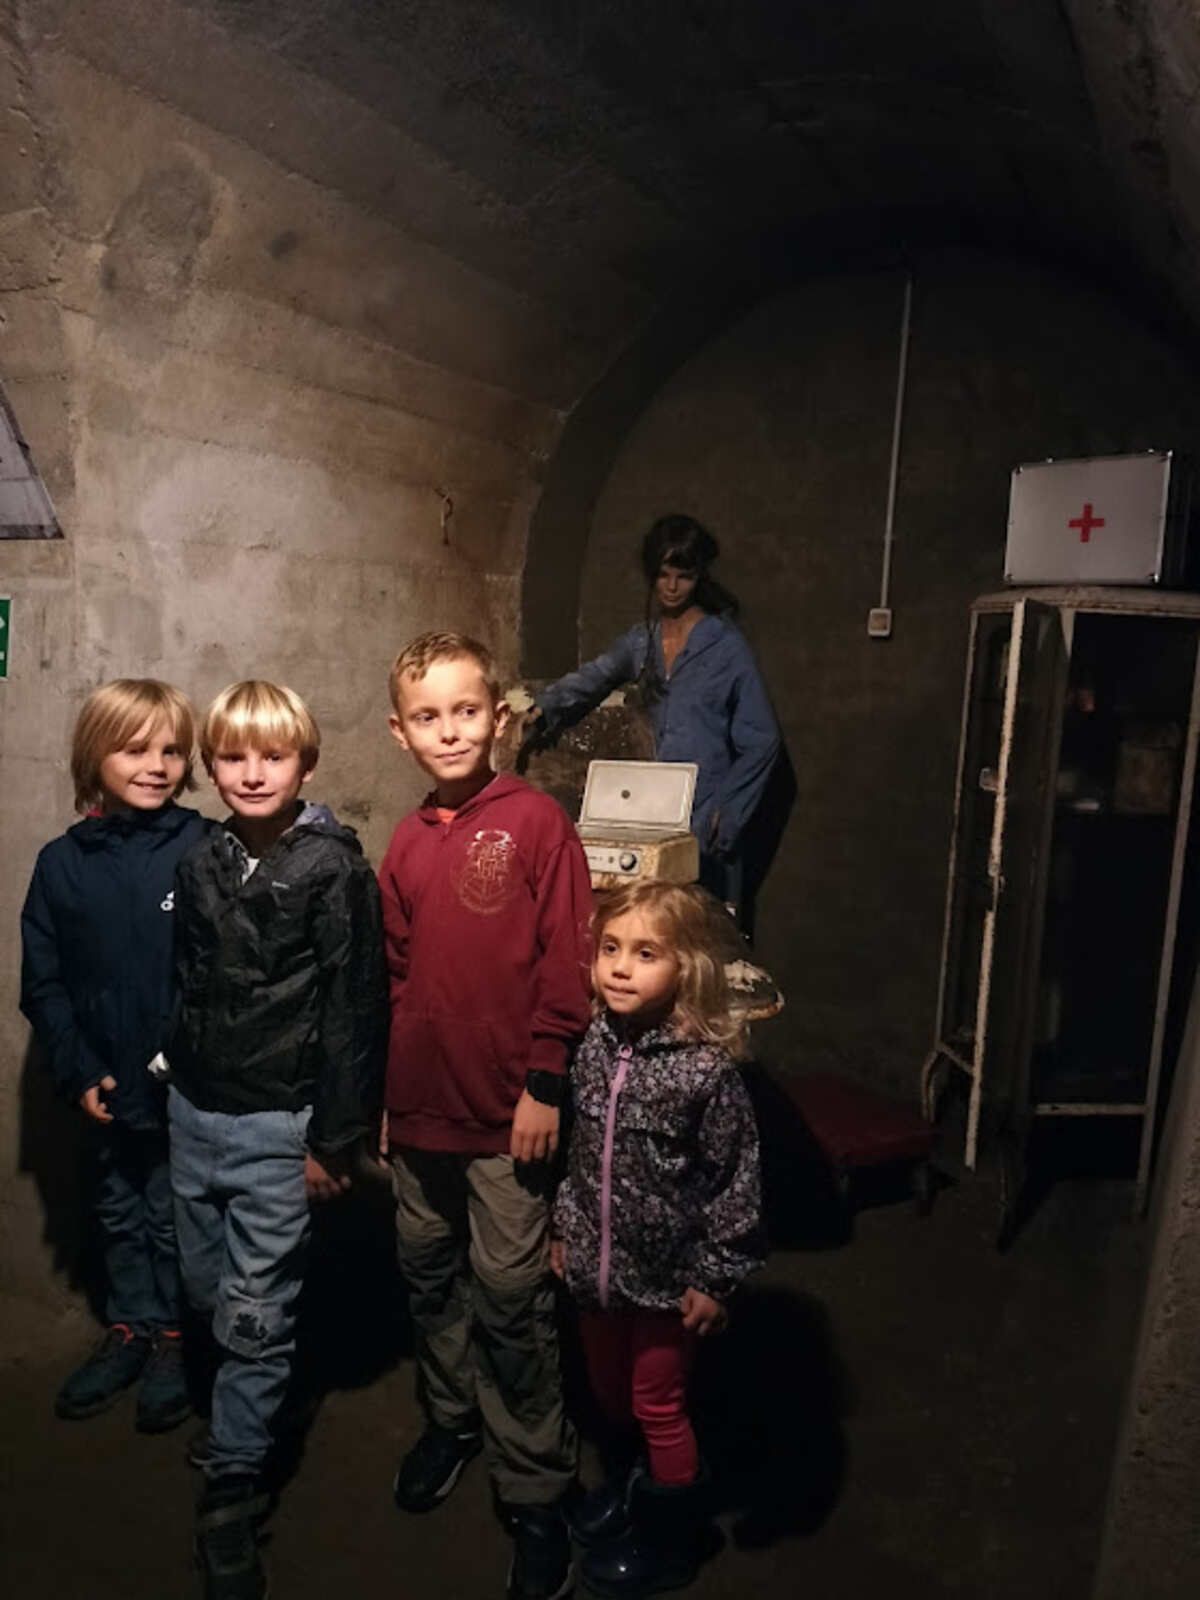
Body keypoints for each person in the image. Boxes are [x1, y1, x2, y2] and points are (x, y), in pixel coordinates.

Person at [379, 630, 593, 1600]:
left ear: (498, 717)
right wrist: (385, 1097)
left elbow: (568, 959)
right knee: (429, 1275)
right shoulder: (406, 840)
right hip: (420, 1115)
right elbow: (393, 979)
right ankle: (453, 1416)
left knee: (509, 1296)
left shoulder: (538, 822)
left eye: (467, 710)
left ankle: (537, 1483)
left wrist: (547, 1080)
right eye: (429, 716)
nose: (450, 729)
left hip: (510, 1117)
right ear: (400, 733)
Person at [167, 680, 388, 1600]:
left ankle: (233, 1487)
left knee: (255, 1318)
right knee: (205, 1289)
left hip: (277, 1124)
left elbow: (355, 1006)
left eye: (272, 755)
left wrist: (334, 1140)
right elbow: (183, 976)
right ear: (211, 764)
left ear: (306, 761)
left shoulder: (333, 869)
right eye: (231, 756)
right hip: (193, 1112)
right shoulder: (202, 857)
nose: (251, 773)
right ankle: (244, 1413)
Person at [552, 880, 765, 1598]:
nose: (620, 967)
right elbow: (581, 1155)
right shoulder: (591, 1044)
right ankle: (635, 1484)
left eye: (646, 953)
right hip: (596, 1269)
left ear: (687, 968)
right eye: (610, 949)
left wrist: (715, 1276)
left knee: (657, 1404)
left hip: (668, 1282)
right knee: (609, 1394)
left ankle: (674, 1535)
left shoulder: (704, 1071)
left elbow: (735, 1177)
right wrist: (565, 1232)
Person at [20, 678, 211, 1432]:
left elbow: (220, 976)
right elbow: (44, 983)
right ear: (94, 756)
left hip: (182, 1092)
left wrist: (186, 1065)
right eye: (135, 748)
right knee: (117, 1210)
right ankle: (129, 1327)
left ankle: (173, 1335)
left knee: (171, 1216)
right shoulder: (61, 864)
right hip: (99, 1083)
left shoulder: (204, 849)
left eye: (171, 750)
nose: (157, 764)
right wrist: (77, 1069)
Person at [530, 515, 780, 912]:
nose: (673, 586)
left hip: (703, 811)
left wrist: (728, 814)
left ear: (700, 576)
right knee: (647, 924)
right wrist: (542, 707)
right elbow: (596, 676)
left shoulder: (725, 646)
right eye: (664, 574)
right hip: (650, 811)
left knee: (698, 934)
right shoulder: (642, 642)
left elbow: (762, 739)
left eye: (684, 575)